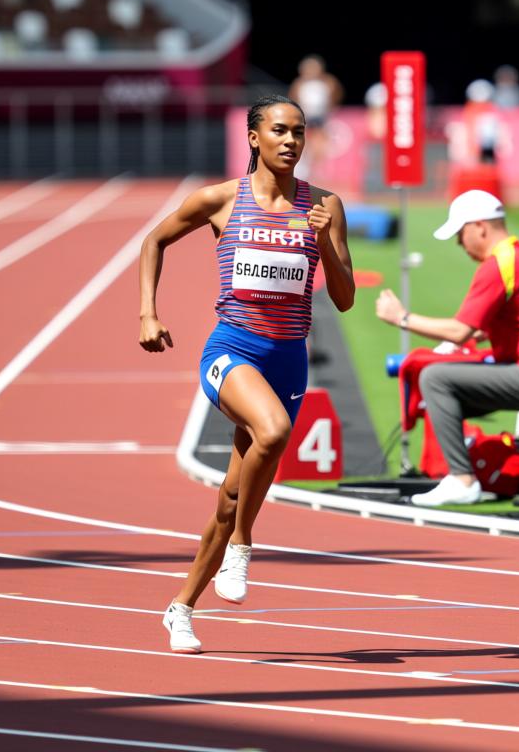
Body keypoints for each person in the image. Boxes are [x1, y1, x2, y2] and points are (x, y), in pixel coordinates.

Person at [139, 94, 355, 653]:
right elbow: (154, 240)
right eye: (280, 130)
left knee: (231, 496)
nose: (291, 141)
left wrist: (327, 239)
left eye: (300, 132)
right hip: (231, 349)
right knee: (275, 432)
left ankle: (180, 607)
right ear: (254, 138)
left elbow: (347, 298)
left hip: (288, 357)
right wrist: (148, 311)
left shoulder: (325, 204)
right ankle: (243, 546)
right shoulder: (219, 201)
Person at [374, 189, 519, 507]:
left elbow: (459, 331)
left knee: (434, 379)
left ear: (479, 227)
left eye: (460, 233)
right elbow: (509, 320)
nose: (459, 243)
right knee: (442, 387)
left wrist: (401, 318)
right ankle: (461, 471)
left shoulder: (499, 266)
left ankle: (463, 479)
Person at [288, 54, 344, 180]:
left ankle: (318, 168)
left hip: (321, 116)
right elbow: (293, 96)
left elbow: (337, 93)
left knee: (320, 142)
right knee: (303, 140)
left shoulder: (328, 81)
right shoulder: (300, 83)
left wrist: (332, 106)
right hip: (305, 115)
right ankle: (303, 166)